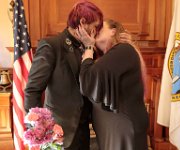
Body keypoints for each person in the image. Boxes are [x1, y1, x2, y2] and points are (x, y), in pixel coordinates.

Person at [24, 1, 103, 150]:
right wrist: (40, 130)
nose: (96, 31)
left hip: (83, 131)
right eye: (95, 26)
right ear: (83, 22)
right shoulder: (51, 45)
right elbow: (32, 90)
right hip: (58, 133)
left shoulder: (88, 47)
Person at [78, 19, 149, 150]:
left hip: (122, 127)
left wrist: (88, 47)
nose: (94, 31)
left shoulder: (123, 49)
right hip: (114, 128)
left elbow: (88, 81)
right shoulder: (107, 57)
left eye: (99, 28)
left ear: (113, 31)